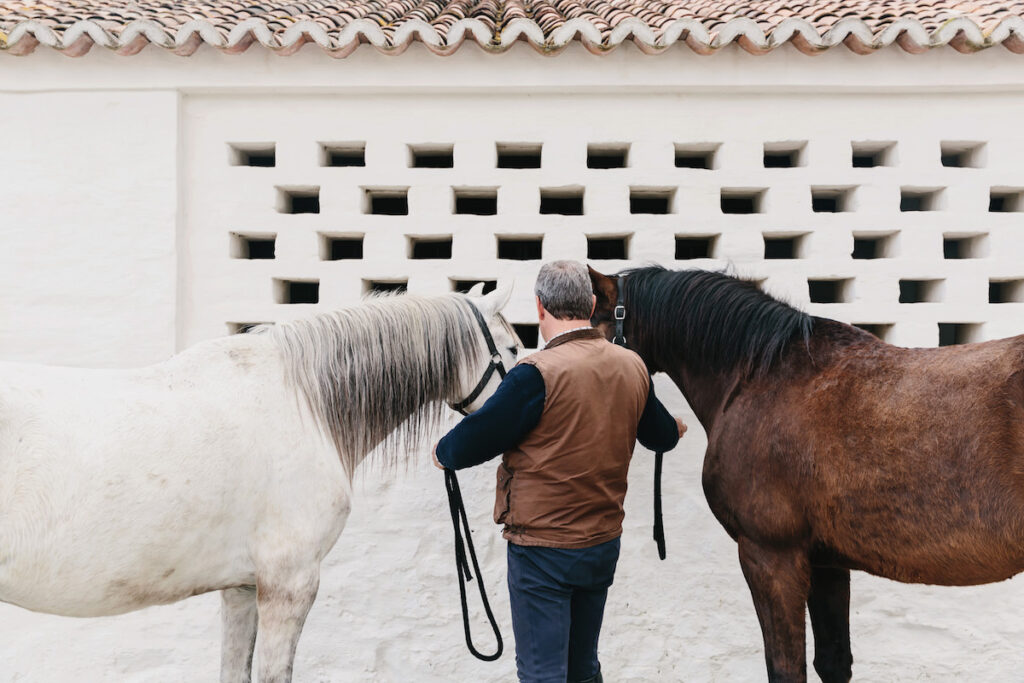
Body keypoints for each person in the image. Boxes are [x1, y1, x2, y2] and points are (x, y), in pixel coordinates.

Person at [433, 259, 685, 683]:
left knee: (542, 674)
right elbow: (661, 436)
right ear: (589, 304)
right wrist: (675, 428)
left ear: (539, 308)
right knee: (583, 668)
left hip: (542, 552)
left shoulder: (535, 375)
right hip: (602, 545)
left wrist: (443, 451)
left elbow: (471, 442)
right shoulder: (632, 367)